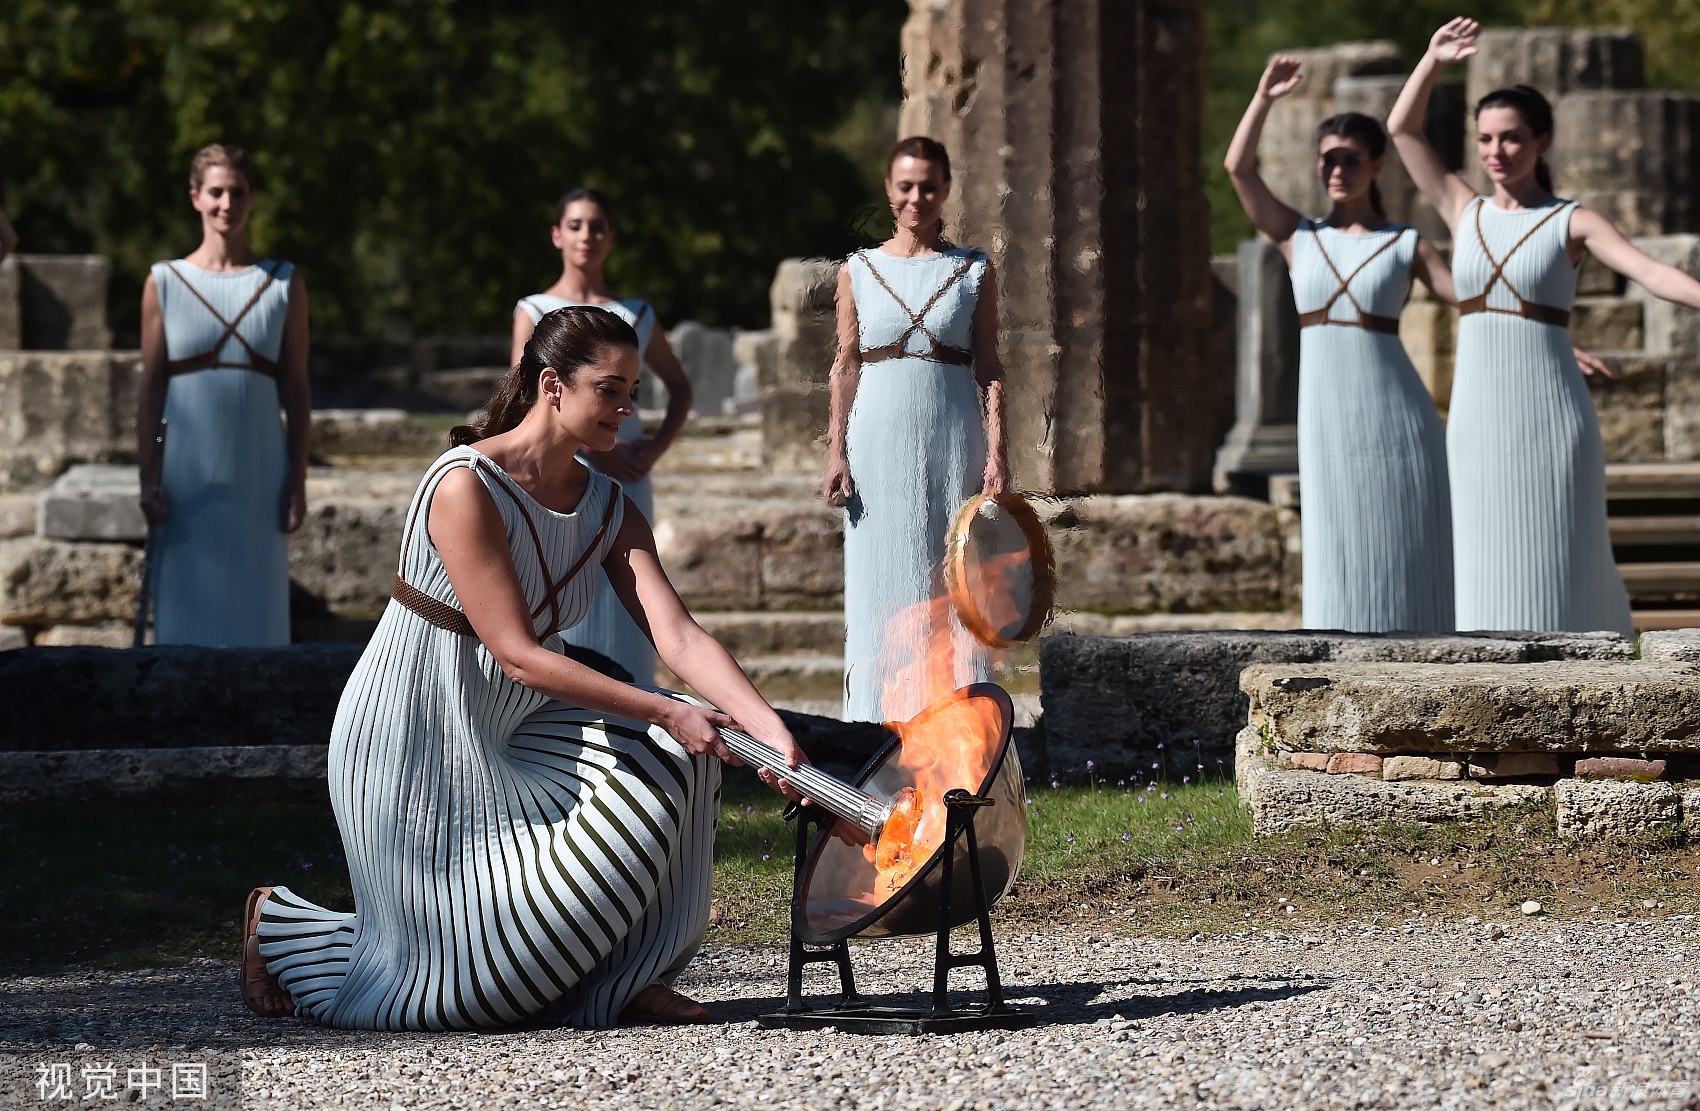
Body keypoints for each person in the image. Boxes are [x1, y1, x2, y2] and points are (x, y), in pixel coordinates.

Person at [243, 307, 807, 1028]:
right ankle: (281, 923)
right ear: (552, 385)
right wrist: (666, 706)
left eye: (633, 389)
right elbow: (516, 653)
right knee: (470, 992)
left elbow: (680, 634)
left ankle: (625, 980)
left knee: (682, 755)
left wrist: (772, 733)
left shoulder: (608, 505)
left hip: (518, 731)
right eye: (611, 389)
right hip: (414, 736)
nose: (628, 407)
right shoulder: (464, 484)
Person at [1389, 18, 1700, 636]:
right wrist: (1432, 61)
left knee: (1561, 554)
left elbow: (1651, 272)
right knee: (1481, 558)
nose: (1496, 152)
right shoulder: (1462, 208)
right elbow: (1402, 129)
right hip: (1478, 416)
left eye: (1510, 139)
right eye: (1484, 140)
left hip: (1550, 413)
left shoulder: (1573, 222)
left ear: (1542, 142)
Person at [1225, 57, 1457, 632]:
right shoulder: (1299, 237)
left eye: (1349, 159)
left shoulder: (1406, 241)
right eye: (1327, 159)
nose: (1336, 169)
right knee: (1337, 536)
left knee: (1408, 535)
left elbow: (1474, 301)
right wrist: (1263, 98)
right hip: (1328, 414)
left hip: (1398, 414)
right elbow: (1238, 169)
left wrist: (1554, 335)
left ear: (1376, 165)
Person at [823, 137, 1010, 723]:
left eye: (928, 186)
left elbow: (991, 367)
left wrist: (999, 452)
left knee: (954, 576)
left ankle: (959, 724)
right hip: (877, 435)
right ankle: (877, 726)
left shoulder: (973, 269)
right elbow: (846, 364)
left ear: (946, 189)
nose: (916, 198)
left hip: (954, 430)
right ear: (888, 190)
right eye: (905, 186)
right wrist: (836, 451)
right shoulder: (859, 269)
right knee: (884, 577)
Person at [510, 188, 693, 686]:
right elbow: (526, 395)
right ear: (556, 235)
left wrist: (652, 450)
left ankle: (634, 710)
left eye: (596, 226)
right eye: (574, 225)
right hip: (559, 475)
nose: (585, 236)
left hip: (627, 475)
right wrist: (594, 453)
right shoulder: (534, 309)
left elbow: (680, 388)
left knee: (632, 593)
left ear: (611, 237)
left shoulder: (635, 314)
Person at [136, 144, 310, 646]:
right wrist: (148, 479)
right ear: (196, 198)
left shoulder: (282, 282)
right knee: (185, 622)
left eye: (237, 192)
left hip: (260, 471)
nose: (226, 203)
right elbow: (150, 391)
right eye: (216, 192)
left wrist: (296, 480)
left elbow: (296, 387)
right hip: (187, 479)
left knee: (259, 617)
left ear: (252, 199)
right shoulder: (164, 282)